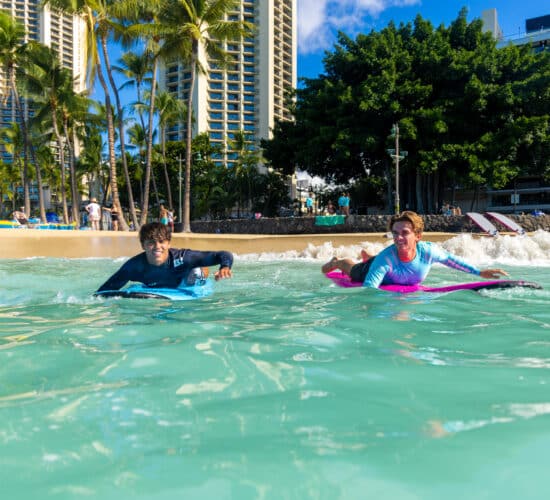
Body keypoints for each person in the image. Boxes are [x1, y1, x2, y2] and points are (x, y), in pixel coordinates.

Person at [321, 210, 508, 288]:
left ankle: (368, 256)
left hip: (384, 262)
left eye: (405, 233)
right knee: (353, 269)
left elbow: (452, 261)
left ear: (418, 236)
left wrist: (479, 273)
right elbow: (370, 289)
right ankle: (338, 261)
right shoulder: (385, 260)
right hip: (375, 267)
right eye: (395, 233)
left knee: (376, 259)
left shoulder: (428, 251)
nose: (398, 237)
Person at [96, 222, 233, 293]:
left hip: (185, 280)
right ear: (143, 245)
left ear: (168, 243)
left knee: (195, 272)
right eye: (151, 243)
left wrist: (225, 267)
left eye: (161, 242)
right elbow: (106, 290)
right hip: (156, 285)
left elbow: (223, 254)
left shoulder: (183, 257)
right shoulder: (134, 266)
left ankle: (201, 271)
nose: (157, 246)